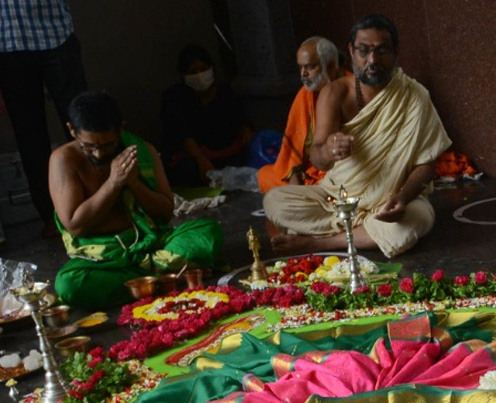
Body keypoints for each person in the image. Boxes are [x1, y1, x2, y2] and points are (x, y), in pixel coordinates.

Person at [263, 13, 451, 258]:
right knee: (274, 201)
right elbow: (318, 156)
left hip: (392, 199)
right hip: (336, 197)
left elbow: (427, 164)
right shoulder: (335, 93)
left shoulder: (414, 95)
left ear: (395, 52)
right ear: (351, 52)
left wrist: (403, 197)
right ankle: (362, 233)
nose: (372, 60)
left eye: (382, 51)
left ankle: (319, 243)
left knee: (417, 220)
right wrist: (330, 149)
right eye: (364, 51)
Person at [48, 90, 223, 310]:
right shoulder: (63, 160)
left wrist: (134, 184)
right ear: (72, 131)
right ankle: (164, 278)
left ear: (120, 129)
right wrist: (113, 183)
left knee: (208, 231)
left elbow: (165, 213)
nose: (99, 154)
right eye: (89, 147)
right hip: (102, 261)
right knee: (69, 285)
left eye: (107, 145)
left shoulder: (141, 150)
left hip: (152, 246)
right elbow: (75, 225)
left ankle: (143, 284)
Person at [0, 0, 88, 238]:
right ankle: (51, 217)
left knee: (83, 125)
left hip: (53, 34)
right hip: (8, 46)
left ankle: (102, 203)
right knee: (30, 139)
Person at [160, 44, 255, 187]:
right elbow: (182, 133)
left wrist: (246, 130)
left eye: (203, 69)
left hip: (226, 152)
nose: (199, 75)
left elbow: (240, 120)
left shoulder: (225, 92)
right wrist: (200, 159)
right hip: (196, 157)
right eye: (192, 72)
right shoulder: (175, 97)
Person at [256, 36, 341, 194]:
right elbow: (292, 150)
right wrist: (296, 184)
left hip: (339, 172)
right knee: (264, 174)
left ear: (330, 67)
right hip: (311, 175)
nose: (304, 74)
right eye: (300, 67)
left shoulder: (350, 88)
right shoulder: (304, 95)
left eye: (309, 67)